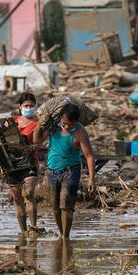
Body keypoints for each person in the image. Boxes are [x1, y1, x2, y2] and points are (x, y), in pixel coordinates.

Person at [34, 98, 95, 239]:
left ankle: (65, 237)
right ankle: (61, 233)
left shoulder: (81, 132)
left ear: (77, 121)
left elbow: (90, 156)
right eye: (65, 123)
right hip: (52, 171)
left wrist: (92, 179)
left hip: (71, 171)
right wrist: (39, 125)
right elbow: (37, 141)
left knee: (66, 205)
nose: (67, 127)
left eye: (71, 124)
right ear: (61, 118)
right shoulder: (53, 127)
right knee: (55, 207)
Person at [6, 92, 41, 234]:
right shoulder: (10, 122)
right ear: (19, 107)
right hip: (12, 163)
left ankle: (33, 228)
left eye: (31, 105)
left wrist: (32, 147)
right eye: (26, 105)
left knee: (28, 193)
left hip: (30, 162)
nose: (29, 108)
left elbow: (40, 142)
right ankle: (23, 231)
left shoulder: (38, 124)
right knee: (17, 198)